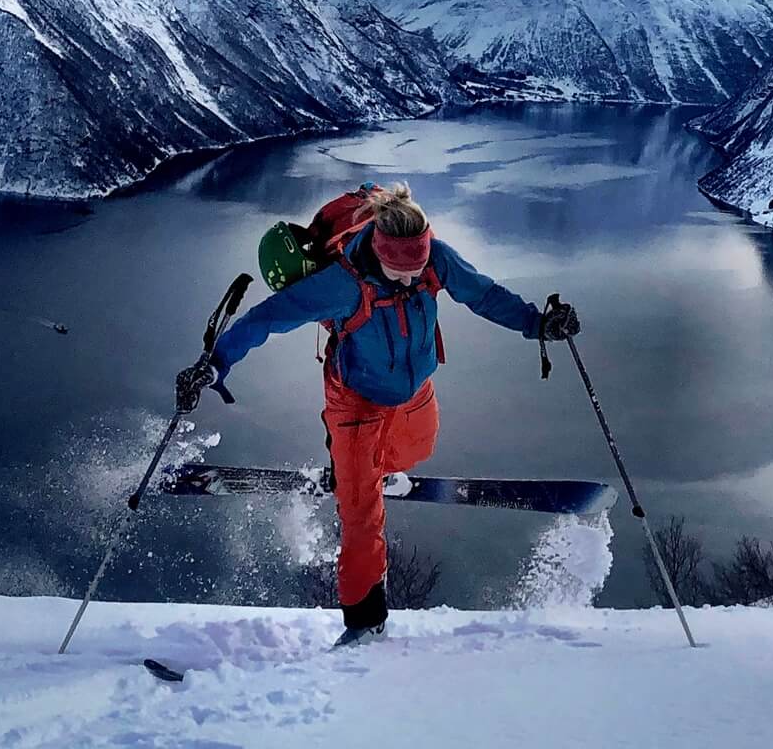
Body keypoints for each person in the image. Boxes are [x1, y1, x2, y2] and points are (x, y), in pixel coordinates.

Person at [206, 182, 579, 646]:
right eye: (398, 272)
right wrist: (216, 363)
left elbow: (483, 294)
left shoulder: (435, 260)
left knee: (417, 450)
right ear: (378, 251)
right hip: (356, 401)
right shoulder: (342, 284)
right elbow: (267, 318)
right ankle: (365, 620)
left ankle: (365, 469)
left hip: (413, 390)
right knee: (361, 513)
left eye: (417, 270)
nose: (410, 281)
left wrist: (537, 324)